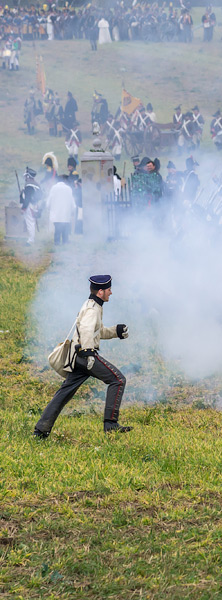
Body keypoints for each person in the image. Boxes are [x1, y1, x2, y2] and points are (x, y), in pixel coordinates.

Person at [34, 275, 131, 438]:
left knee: (64, 393)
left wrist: (116, 331)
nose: (111, 293)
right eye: (108, 290)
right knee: (118, 380)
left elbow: (96, 332)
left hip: (77, 356)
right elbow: (86, 330)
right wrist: (88, 353)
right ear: (101, 292)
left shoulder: (93, 305)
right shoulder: (93, 309)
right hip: (85, 356)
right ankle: (110, 424)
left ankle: (41, 430)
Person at [47, 176, 76, 245]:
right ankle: (65, 242)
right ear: (65, 181)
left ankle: (57, 242)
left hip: (56, 214)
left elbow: (49, 201)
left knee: (57, 229)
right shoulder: (68, 189)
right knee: (65, 229)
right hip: (66, 214)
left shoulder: (54, 188)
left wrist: (48, 208)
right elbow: (72, 202)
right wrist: (72, 211)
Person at [19, 167, 42, 246]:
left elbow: (28, 198)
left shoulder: (29, 185)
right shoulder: (33, 184)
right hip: (32, 205)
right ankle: (31, 238)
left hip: (29, 206)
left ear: (28, 176)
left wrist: (24, 208)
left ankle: (31, 240)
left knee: (30, 222)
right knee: (31, 222)